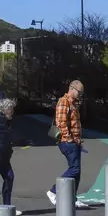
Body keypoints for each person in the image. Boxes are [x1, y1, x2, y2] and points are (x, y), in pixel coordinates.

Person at [46, 79, 89, 208]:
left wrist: (78, 140)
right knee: (74, 169)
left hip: (74, 142)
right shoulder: (64, 102)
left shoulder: (73, 103)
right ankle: (53, 191)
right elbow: (61, 123)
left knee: (77, 172)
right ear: (71, 88)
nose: (80, 95)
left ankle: (72, 198)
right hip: (67, 142)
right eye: (79, 92)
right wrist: (69, 138)